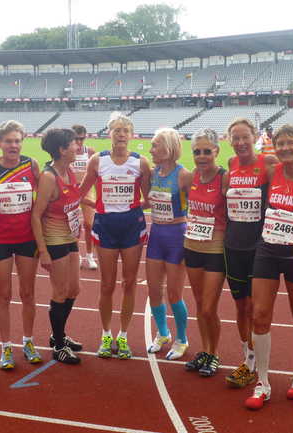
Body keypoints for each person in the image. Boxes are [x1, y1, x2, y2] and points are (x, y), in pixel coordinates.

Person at [245, 124, 293, 409]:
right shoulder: (271, 171)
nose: (286, 148)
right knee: (259, 314)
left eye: (291, 143)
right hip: (267, 250)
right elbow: (243, 165)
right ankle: (262, 382)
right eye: (281, 143)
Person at [79, 112, 151, 360]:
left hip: (132, 226)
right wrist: (98, 206)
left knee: (129, 283)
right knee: (107, 284)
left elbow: (149, 199)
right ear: (109, 133)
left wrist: (133, 206)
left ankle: (123, 336)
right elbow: (81, 193)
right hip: (105, 227)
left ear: (131, 135)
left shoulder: (140, 163)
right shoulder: (97, 161)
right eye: (116, 130)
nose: (121, 134)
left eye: (125, 130)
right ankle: (106, 334)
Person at [0, 120, 42, 369]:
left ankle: (28, 341)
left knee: (28, 293)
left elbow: (45, 193)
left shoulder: (31, 164)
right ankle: (6, 346)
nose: (13, 145)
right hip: (0, 239)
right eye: (8, 141)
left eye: (17, 141)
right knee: (3, 295)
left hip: (27, 238)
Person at [223, 118, 278, 388]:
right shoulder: (231, 165)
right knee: (241, 306)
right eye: (236, 138)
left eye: (245, 137)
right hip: (234, 245)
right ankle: (247, 357)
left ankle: (255, 361)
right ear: (230, 141)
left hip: (259, 247)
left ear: (255, 137)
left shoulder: (268, 163)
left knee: (257, 309)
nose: (241, 142)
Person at [31, 128, 85, 365]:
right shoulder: (49, 177)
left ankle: (58, 335)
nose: (78, 146)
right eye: (74, 143)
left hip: (70, 238)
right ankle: (59, 345)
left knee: (74, 289)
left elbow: (75, 200)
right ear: (62, 150)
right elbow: (36, 215)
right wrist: (43, 251)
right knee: (60, 292)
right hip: (54, 241)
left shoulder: (69, 170)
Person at [181, 128, 228, 377]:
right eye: (197, 152)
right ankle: (205, 350)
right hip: (192, 246)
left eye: (206, 151)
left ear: (216, 151)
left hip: (215, 249)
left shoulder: (224, 178)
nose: (201, 156)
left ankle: (214, 353)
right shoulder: (190, 177)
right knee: (200, 305)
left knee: (209, 307)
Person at [145, 128, 190, 360]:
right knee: (154, 290)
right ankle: (163, 333)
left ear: (169, 148)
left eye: (155, 145)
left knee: (174, 294)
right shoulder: (153, 174)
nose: (151, 150)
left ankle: (182, 339)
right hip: (156, 235)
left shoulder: (183, 175)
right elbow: (146, 202)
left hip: (176, 236)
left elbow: (198, 204)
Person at [69, 124, 97, 270]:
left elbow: (97, 174)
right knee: (73, 226)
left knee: (89, 224)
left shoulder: (90, 152)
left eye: (82, 138)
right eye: (76, 139)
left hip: (87, 191)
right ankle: (77, 255)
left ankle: (90, 255)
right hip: (71, 192)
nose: (79, 142)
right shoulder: (67, 152)